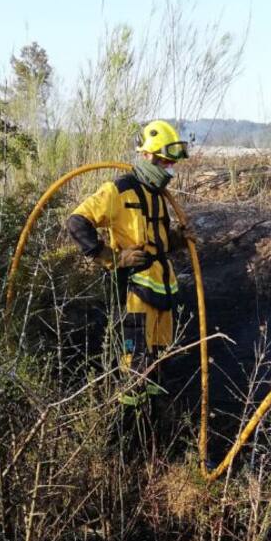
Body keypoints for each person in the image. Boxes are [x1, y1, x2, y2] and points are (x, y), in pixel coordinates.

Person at [65, 119, 191, 419]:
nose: (169, 169)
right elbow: (76, 223)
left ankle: (156, 424)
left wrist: (177, 239)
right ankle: (128, 429)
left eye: (171, 163)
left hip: (163, 295)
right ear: (146, 155)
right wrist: (112, 257)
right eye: (164, 161)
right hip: (134, 295)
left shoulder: (159, 196)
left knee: (159, 362)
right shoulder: (119, 191)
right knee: (134, 365)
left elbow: (157, 241)